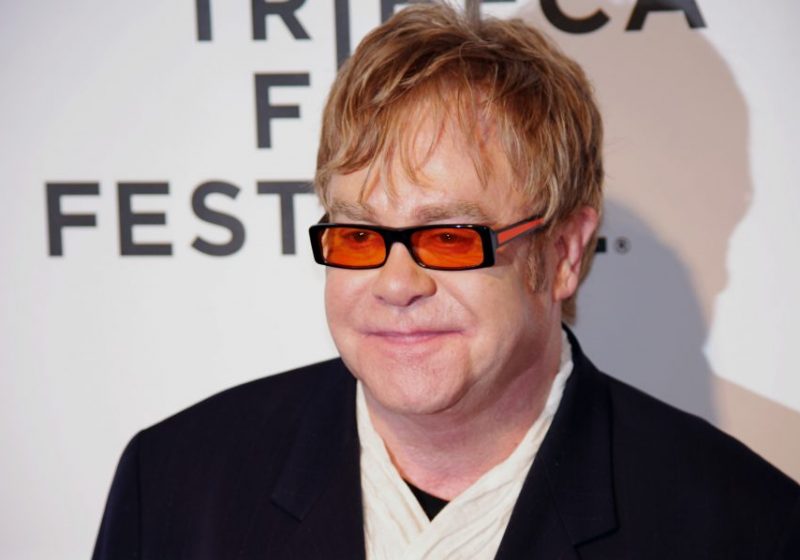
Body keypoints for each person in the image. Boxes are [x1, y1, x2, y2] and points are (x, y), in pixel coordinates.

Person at [93, 3, 800, 559]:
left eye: (448, 236)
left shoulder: (745, 526)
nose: (395, 283)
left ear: (563, 252)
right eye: (359, 234)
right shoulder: (176, 484)